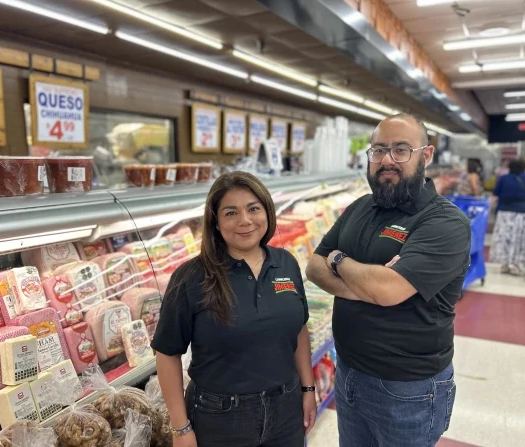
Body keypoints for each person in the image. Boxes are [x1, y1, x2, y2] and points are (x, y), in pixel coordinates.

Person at [305, 114, 471, 447]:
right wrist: (368, 283)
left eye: (400, 150)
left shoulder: (445, 221)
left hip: (408, 389)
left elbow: (386, 289)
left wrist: (339, 259)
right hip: (349, 372)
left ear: (426, 155)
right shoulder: (360, 207)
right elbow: (313, 265)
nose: (387, 160)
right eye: (379, 150)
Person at [152, 171, 317, 447]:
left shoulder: (286, 263)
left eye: (253, 208)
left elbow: (299, 329)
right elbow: (167, 353)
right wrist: (180, 428)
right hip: (219, 417)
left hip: (286, 408)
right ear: (215, 222)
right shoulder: (191, 276)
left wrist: (308, 388)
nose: (245, 220)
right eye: (230, 213)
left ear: (267, 211)